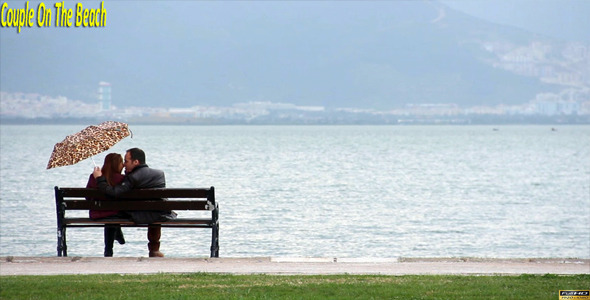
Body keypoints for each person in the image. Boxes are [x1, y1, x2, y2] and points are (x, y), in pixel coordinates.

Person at [93, 148, 176, 257]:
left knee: (112, 215)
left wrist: (99, 179)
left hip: (139, 214)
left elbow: (114, 193)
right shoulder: (159, 174)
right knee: (153, 210)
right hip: (160, 213)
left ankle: (110, 248)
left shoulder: (132, 177)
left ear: (136, 162)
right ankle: (154, 250)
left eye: (126, 161)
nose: (124, 164)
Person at [86, 153, 126, 257]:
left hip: (97, 213)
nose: (123, 165)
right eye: (122, 162)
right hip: (116, 213)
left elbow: (88, 197)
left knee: (109, 217)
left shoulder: (93, 177)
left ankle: (108, 250)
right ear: (116, 164)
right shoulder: (121, 179)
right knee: (112, 216)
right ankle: (115, 237)